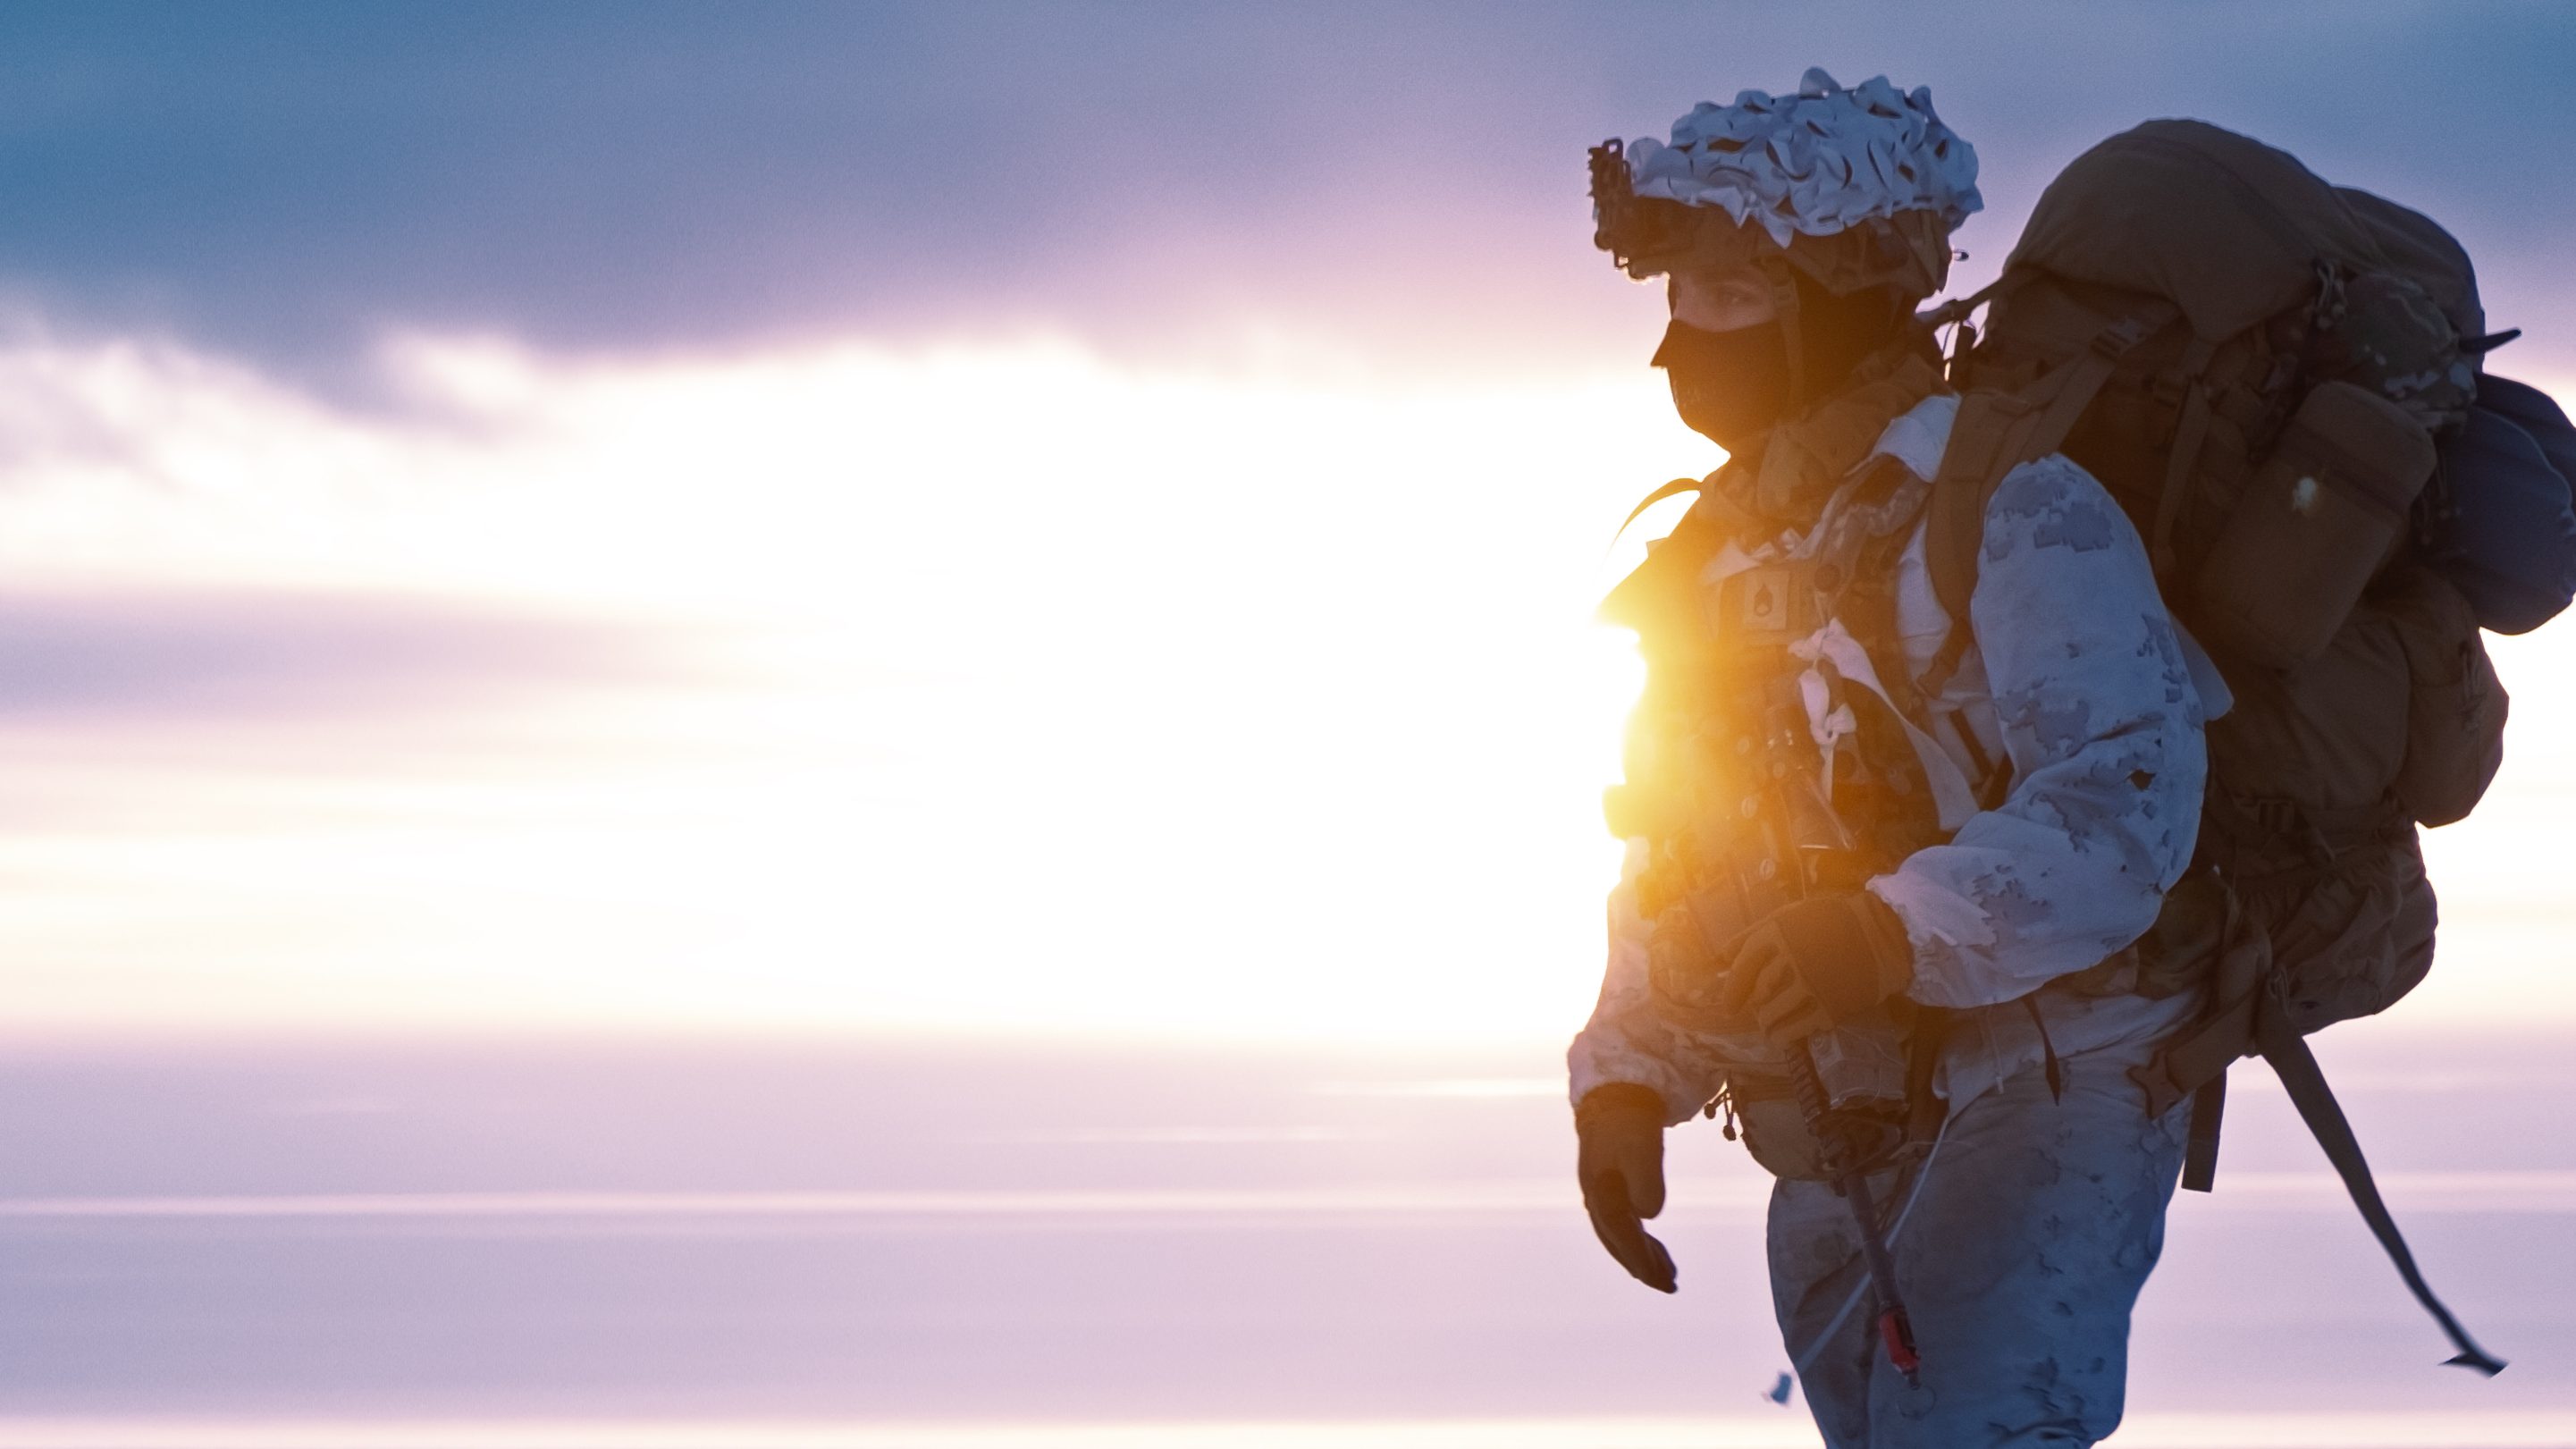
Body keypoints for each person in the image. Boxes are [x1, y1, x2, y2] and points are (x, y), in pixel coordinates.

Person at [1568, 71, 2227, 1447]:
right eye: (1676, 301)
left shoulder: (2014, 509)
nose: (1679, 348)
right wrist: (1628, 1074)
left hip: (2049, 1077)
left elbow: (2126, 804)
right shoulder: (1720, 560)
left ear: (1842, 295)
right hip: (1835, 1112)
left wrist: (1881, 932)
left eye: (1729, 299)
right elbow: (1682, 843)